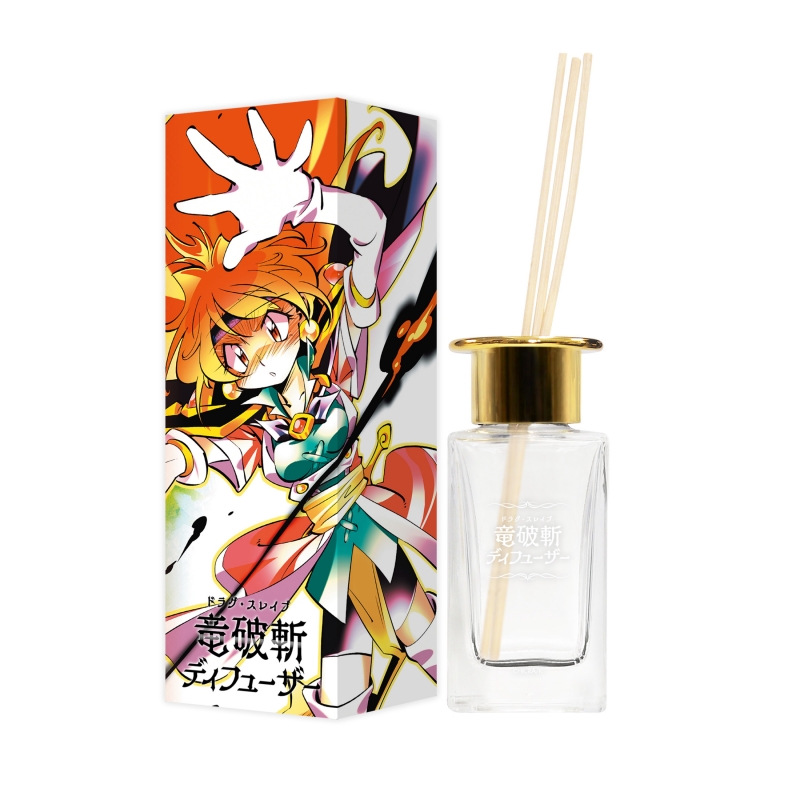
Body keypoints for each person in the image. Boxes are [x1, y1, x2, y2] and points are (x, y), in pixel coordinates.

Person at [165, 109, 436, 716]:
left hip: (365, 526)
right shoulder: (263, 426)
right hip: (314, 550)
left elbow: (369, 230)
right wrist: (175, 456)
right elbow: (223, 450)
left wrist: (312, 200)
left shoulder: (343, 354)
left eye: (262, 322)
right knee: (343, 682)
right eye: (227, 350)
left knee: (417, 632)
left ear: (294, 315)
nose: (245, 350)